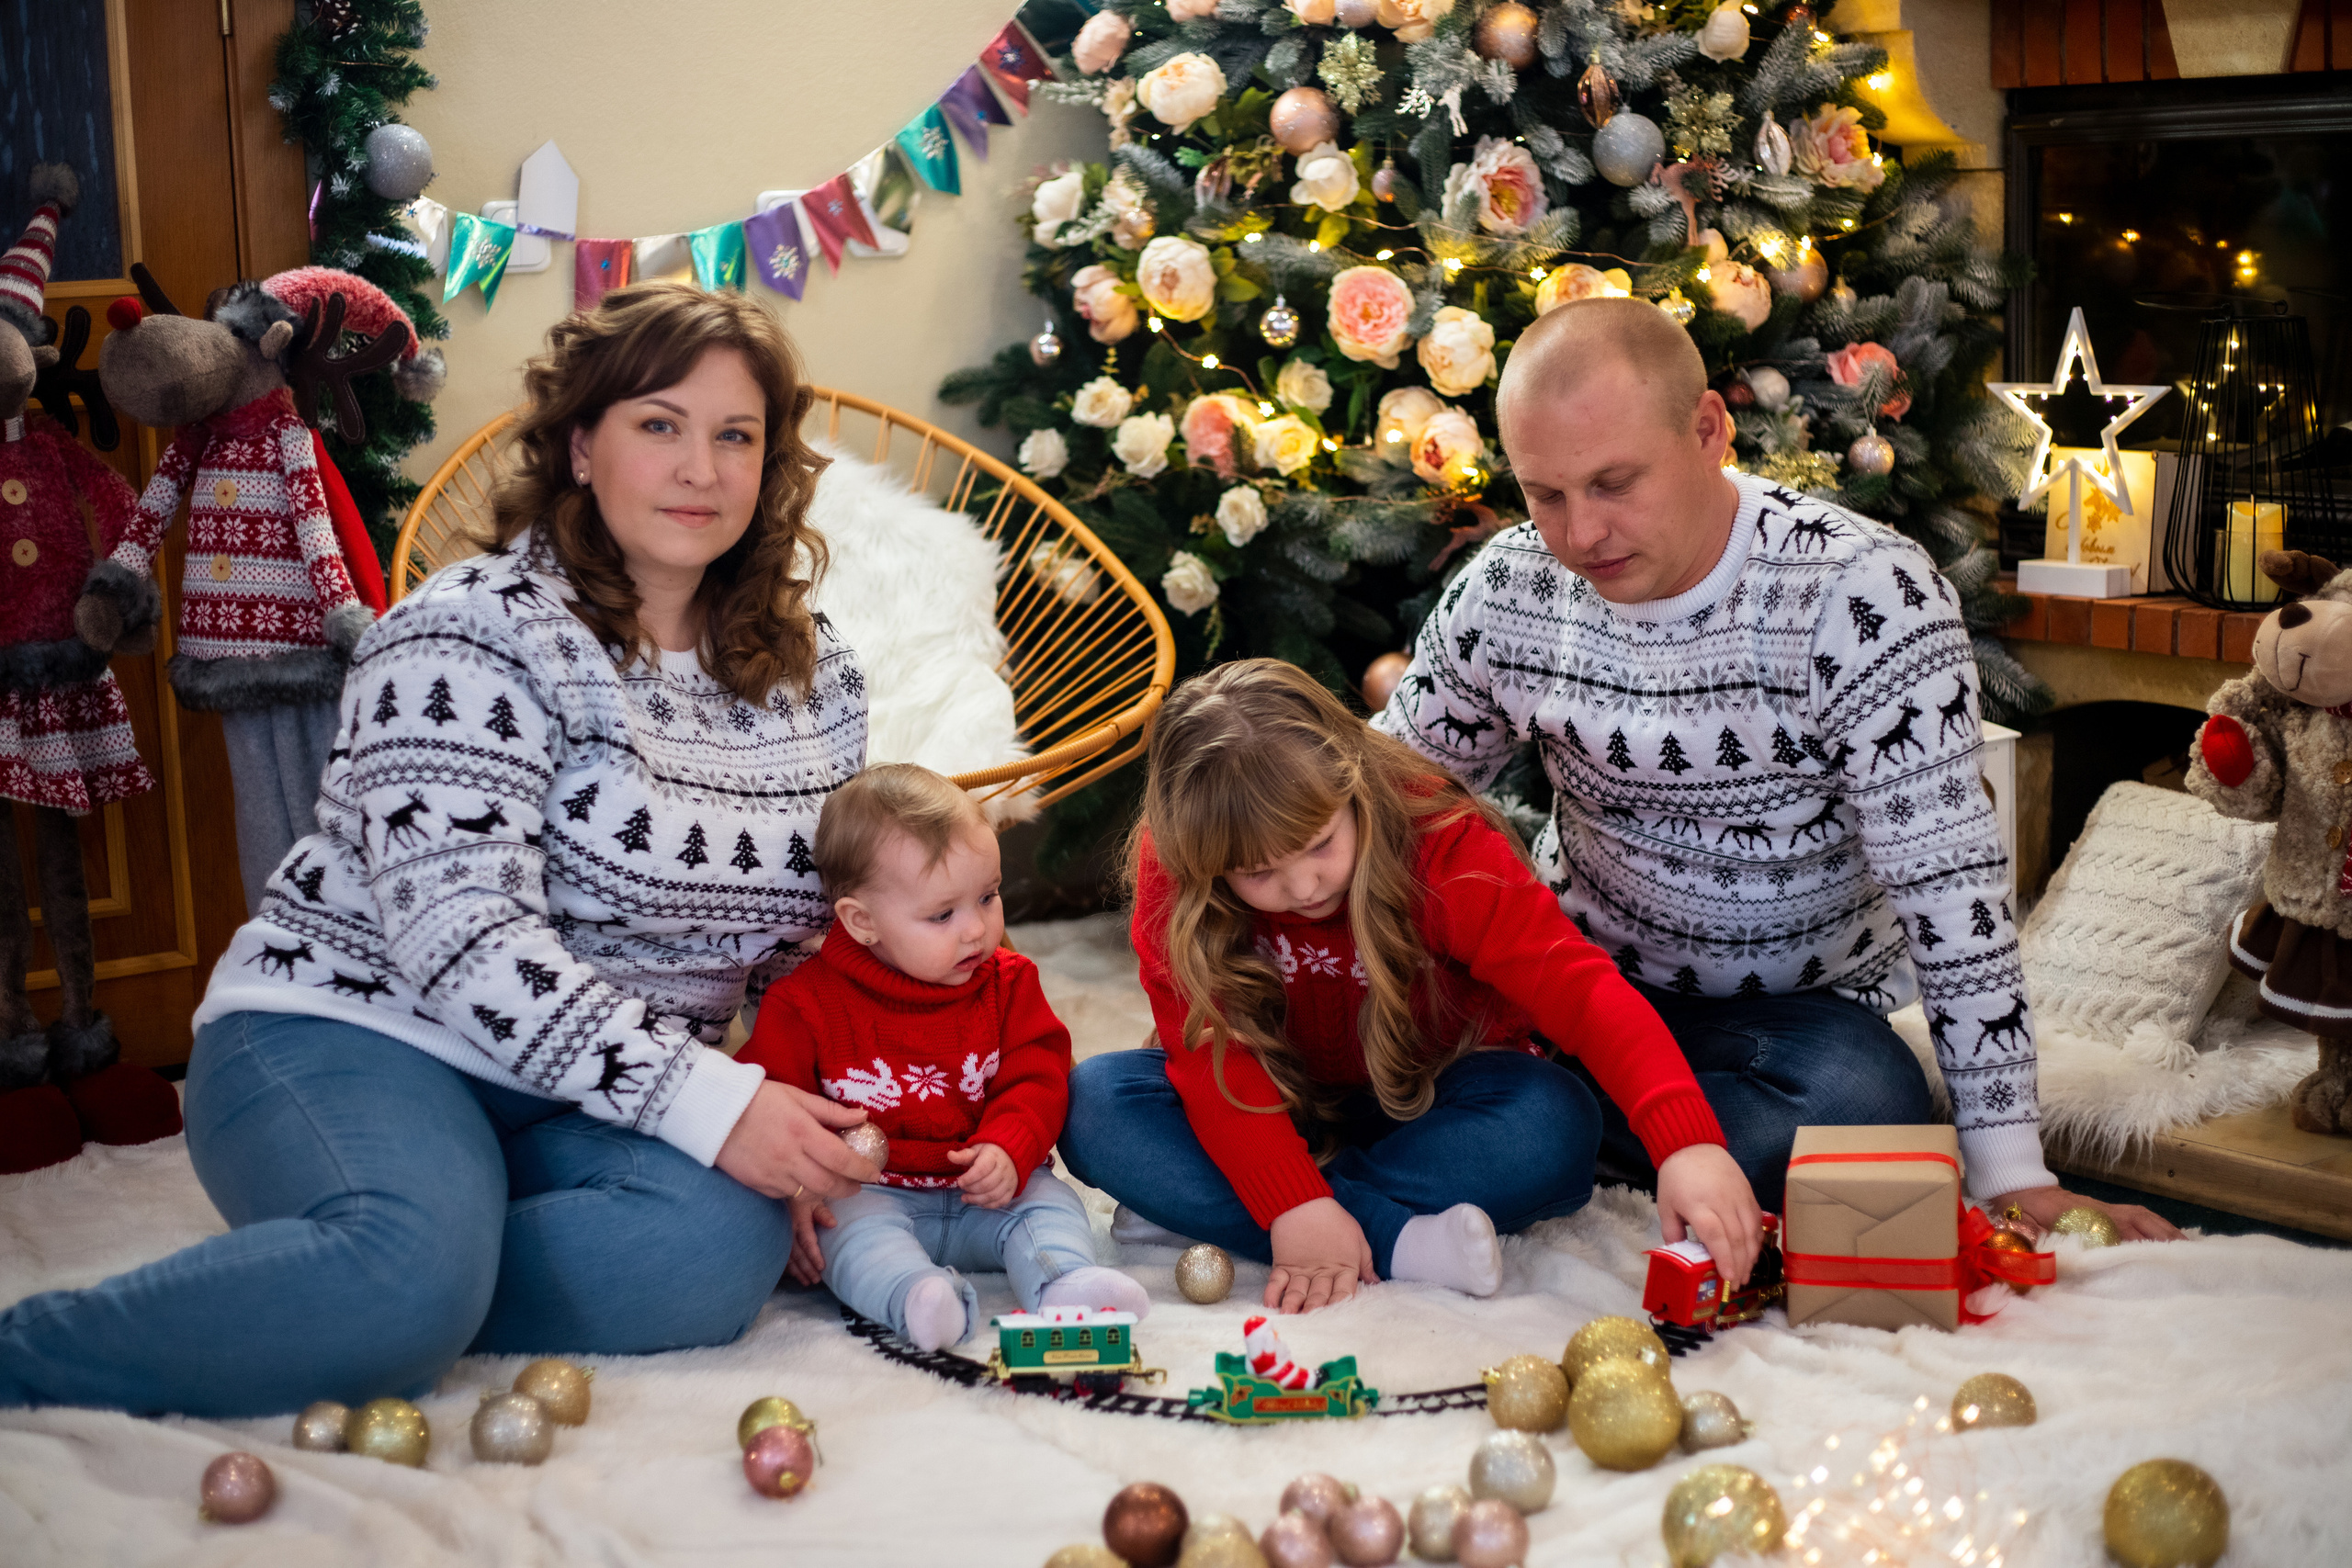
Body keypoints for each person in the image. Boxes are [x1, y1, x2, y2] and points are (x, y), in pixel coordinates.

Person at [0, 282, 882, 1416]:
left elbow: (807, 942)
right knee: (412, 1281)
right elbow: (462, 939)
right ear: (582, 446)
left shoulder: (819, 675)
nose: (699, 470)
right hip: (359, 1033)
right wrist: (711, 1107)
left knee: (714, 1253)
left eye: (735, 436)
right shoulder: (470, 627)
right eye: (659, 425)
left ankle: (395, 1264)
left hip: (587, 1089)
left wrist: (792, 1127)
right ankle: (358, 1277)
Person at [1374, 296, 2177, 1240]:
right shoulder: (1512, 585)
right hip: (1577, 990)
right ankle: (1591, 1133)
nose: (1581, 533)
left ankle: (1550, 1138)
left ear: (1708, 431)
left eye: (1614, 483)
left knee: (1863, 1107)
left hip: (1790, 1023)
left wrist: (2011, 1171)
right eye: (1545, 495)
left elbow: (1950, 890)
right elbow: (1380, 794)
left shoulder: (1862, 592)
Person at [1059, 660, 1763, 1315]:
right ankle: (1392, 1238)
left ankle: (1228, 1203)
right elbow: (1214, 1060)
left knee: (1554, 1124)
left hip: (1433, 1104)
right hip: (1274, 1104)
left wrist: (1687, 1143)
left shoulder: (1436, 838)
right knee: (1094, 1104)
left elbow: (1577, 988)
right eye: (1258, 872)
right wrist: (1293, 1204)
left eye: (1320, 844)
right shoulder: (1176, 868)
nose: (1303, 886)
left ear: (1353, 785)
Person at [740, 763, 1147, 1350]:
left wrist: (1011, 1145)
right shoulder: (803, 1006)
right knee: (842, 1235)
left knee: (1050, 1206)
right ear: (862, 922)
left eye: (988, 896)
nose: (977, 929)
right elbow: (770, 1107)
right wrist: (798, 1193)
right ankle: (917, 1297)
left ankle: (1066, 1284)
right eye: (942, 915)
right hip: (871, 1192)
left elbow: (1039, 1072)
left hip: (991, 1189)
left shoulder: (1009, 982)